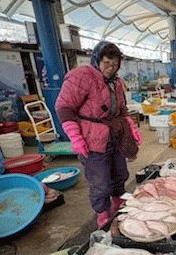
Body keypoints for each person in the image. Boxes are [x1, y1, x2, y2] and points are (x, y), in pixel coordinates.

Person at [55, 41, 142, 228]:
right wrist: (75, 138)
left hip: (115, 135)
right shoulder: (82, 76)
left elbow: (122, 109)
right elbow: (64, 108)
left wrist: (131, 128)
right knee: (99, 181)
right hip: (92, 138)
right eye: (106, 63)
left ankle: (118, 201)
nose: (111, 68)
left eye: (115, 64)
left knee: (120, 173)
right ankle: (102, 214)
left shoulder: (116, 82)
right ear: (97, 60)